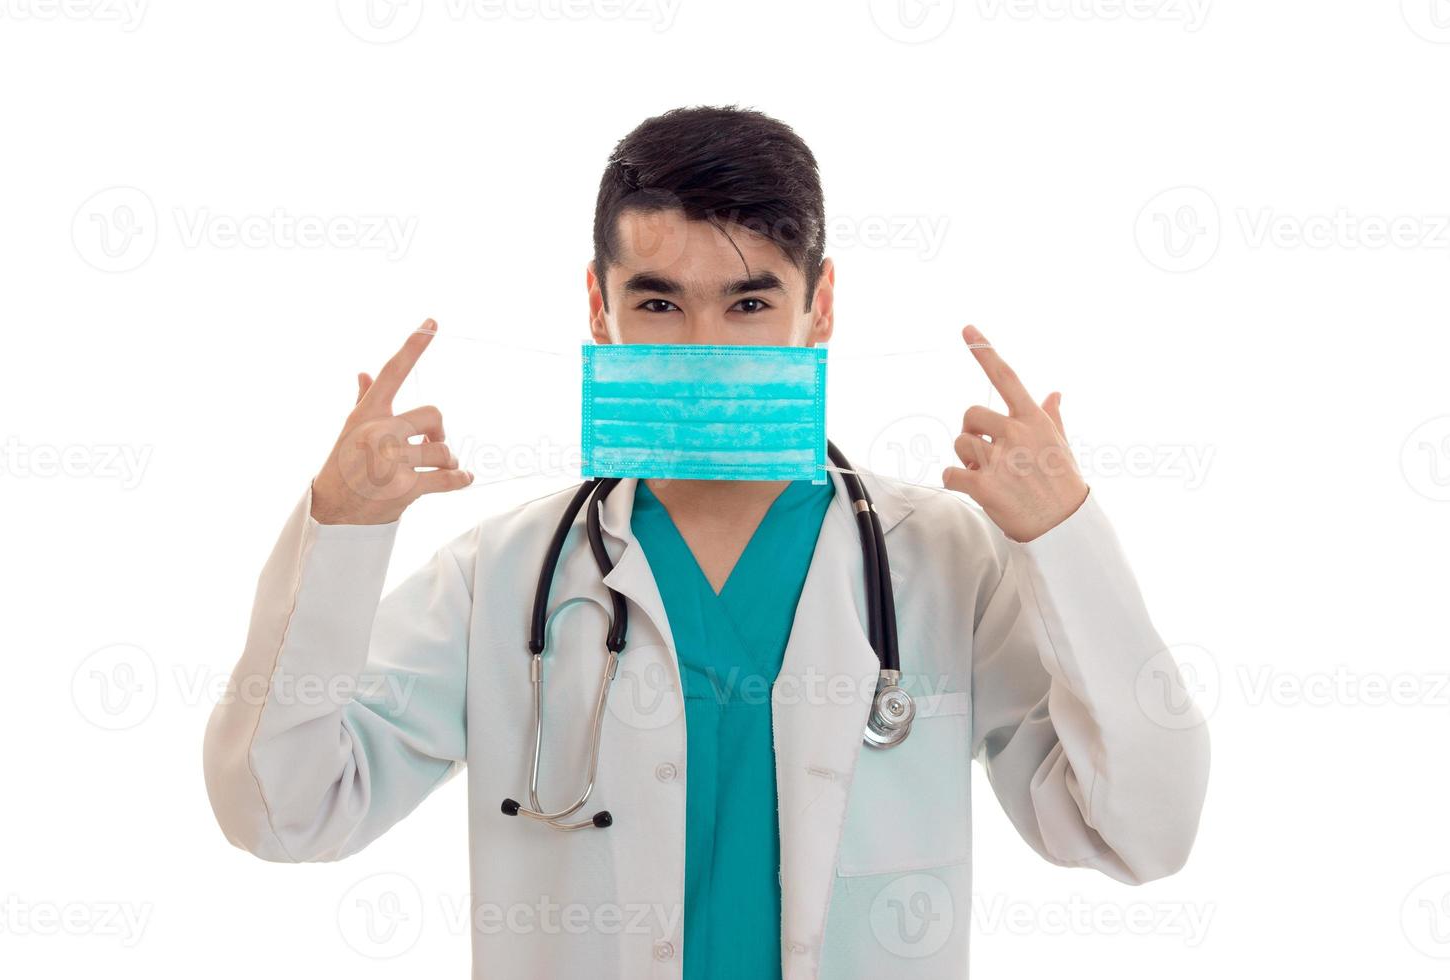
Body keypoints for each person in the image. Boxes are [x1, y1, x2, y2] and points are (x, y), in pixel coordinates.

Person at [203, 105, 1209, 980]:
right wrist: (341, 529)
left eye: (750, 301)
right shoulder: (501, 575)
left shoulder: (945, 561)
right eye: (657, 302)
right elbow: (283, 809)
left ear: (820, 307)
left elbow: (1143, 829)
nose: (704, 346)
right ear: (598, 307)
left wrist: (1065, 535)